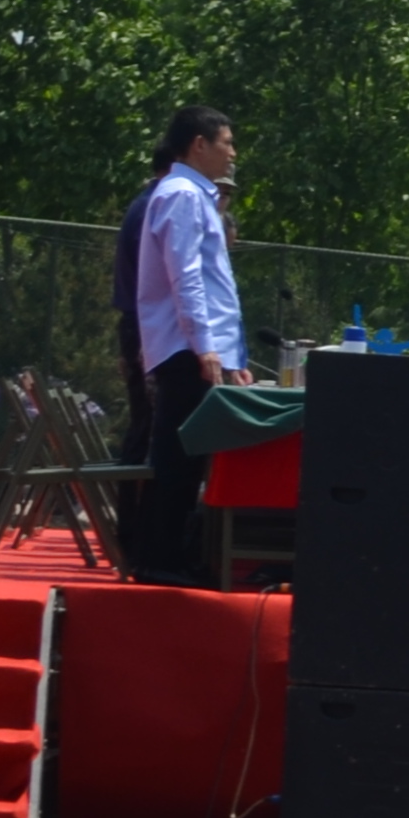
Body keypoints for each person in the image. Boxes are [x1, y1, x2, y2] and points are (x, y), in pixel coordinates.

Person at [115, 106, 246, 584]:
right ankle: (161, 560)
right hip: (186, 351)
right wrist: (205, 347)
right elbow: (186, 277)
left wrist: (231, 356)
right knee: (179, 457)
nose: (233, 153)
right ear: (199, 144)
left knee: (188, 457)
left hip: (194, 349)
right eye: (226, 142)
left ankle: (171, 555)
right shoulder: (183, 196)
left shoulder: (189, 195)